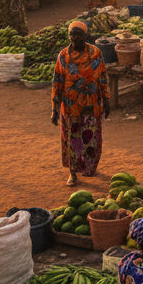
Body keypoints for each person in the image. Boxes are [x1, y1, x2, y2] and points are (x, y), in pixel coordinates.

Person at [51, 21, 109, 185]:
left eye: (78, 35)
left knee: (91, 139)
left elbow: (103, 77)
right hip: (71, 106)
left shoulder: (95, 53)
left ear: (85, 36)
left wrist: (107, 100)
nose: (74, 38)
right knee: (72, 139)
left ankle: (89, 168)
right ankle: (73, 173)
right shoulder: (64, 56)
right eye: (72, 35)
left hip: (92, 105)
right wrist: (54, 109)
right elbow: (57, 82)